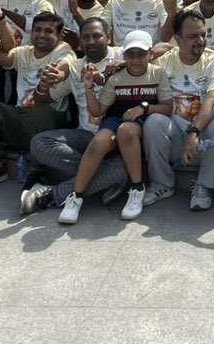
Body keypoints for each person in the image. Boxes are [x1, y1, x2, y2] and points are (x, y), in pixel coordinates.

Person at [56, 29, 172, 224]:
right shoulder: (116, 77)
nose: (135, 60)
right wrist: (88, 86)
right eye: (130, 54)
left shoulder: (158, 72)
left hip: (141, 121)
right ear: (123, 55)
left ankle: (137, 188)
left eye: (141, 54)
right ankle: (76, 196)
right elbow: (97, 110)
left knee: (126, 130)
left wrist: (144, 107)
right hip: (116, 118)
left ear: (150, 54)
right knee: (98, 141)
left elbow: (168, 108)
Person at [20, 17, 130, 217]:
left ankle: (53, 194)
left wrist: (127, 62)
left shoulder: (125, 55)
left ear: (109, 37)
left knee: (122, 167)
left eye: (97, 36)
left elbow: (163, 50)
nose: (90, 41)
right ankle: (104, 178)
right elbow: (43, 98)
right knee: (39, 143)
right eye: (85, 37)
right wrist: (42, 86)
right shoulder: (75, 67)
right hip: (85, 136)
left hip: (119, 139)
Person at [0, 7, 74, 191]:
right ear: (31, 32)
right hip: (20, 118)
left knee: (40, 108)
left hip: (50, 124)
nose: (42, 34)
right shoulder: (24, 52)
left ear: (59, 36)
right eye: (38, 30)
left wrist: (58, 74)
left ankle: (38, 168)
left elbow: (65, 64)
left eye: (49, 31)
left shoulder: (63, 50)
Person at [142, 10, 214, 210]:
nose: (200, 40)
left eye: (203, 35)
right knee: (154, 120)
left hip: (202, 141)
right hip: (175, 142)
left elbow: (213, 99)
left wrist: (194, 131)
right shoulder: (164, 60)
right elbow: (137, 64)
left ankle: (204, 186)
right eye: (192, 36)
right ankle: (162, 184)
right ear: (178, 39)